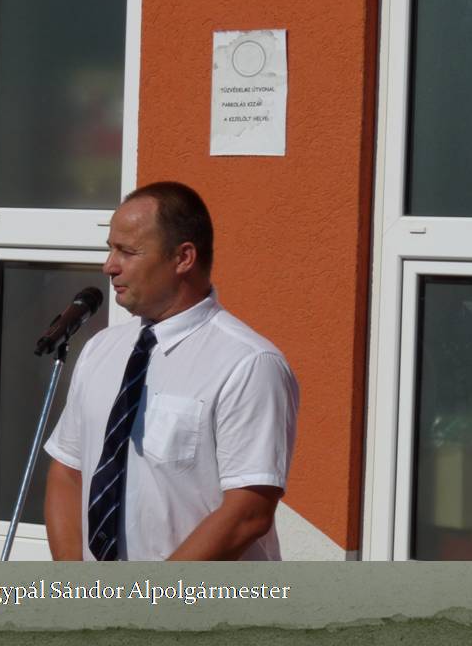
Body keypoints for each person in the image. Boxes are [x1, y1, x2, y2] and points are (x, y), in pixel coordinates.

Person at [43, 181, 299, 560]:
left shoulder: (248, 363)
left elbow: (248, 513)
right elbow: (68, 470)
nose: (109, 266)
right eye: (110, 249)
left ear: (183, 258)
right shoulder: (101, 349)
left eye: (127, 251)